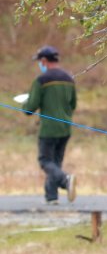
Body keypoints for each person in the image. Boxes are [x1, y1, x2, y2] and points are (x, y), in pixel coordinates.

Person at [22, 45, 77, 205]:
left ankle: (66, 180)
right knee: (55, 163)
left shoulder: (41, 80)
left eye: (40, 61)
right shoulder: (69, 78)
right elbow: (73, 104)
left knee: (45, 161)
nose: (40, 64)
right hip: (66, 128)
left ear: (44, 61)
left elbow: (30, 107)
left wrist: (24, 105)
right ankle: (51, 197)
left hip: (48, 129)